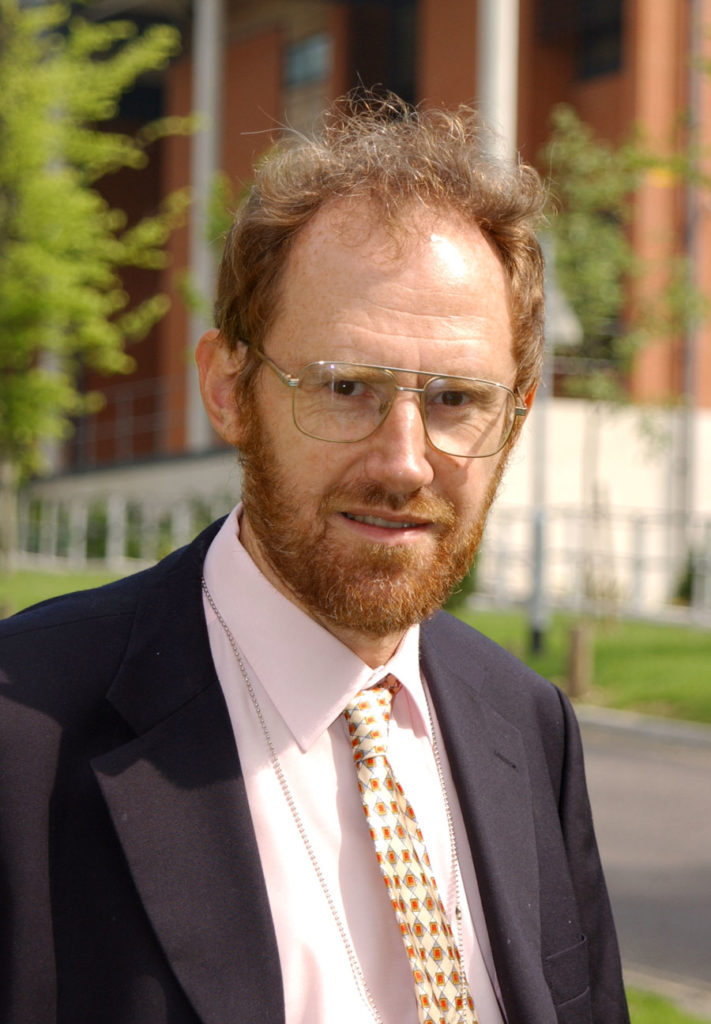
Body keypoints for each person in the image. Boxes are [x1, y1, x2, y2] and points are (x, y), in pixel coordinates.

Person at [0, 93, 629, 1024]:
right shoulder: (22, 738)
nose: (404, 460)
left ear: (515, 417)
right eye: (345, 387)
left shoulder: (526, 724)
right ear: (228, 388)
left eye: (456, 399)